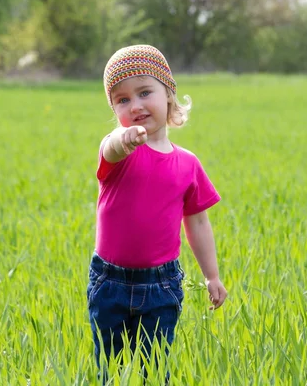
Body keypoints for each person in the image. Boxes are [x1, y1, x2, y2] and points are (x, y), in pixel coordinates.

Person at [87, 44, 227, 382]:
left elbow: (197, 221)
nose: (134, 106)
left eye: (144, 92)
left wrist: (212, 275)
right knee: (107, 369)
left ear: (168, 95)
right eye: (122, 100)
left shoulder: (187, 163)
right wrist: (124, 139)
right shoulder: (121, 152)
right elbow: (111, 146)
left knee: (155, 369)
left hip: (162, 285)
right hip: (110, 282)